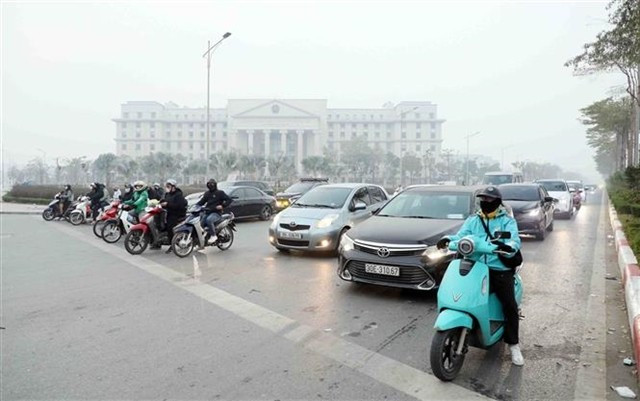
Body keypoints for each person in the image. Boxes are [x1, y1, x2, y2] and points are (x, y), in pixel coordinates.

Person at [436, 186, 524, 366]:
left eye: (490, 199)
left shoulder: (507, 221)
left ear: (498, 202)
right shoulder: (473, 220)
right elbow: (461, 236)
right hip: (475, 267)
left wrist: (508, 246)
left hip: (498, 269)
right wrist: (448, 240)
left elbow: (514, 240)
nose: (486, 202)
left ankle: (514, 344)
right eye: (483, 199)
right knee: (463, 295)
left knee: (509, 305)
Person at [197, 178, 233, 243]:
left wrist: (222, 206)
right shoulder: (207, 193)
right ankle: (201, 240)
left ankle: (213, 235)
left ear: (215, 184)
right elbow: (201, 202)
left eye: (212, 184)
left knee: (209, 220)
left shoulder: (220, 193)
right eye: (209, 184)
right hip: (207, 212)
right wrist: (195, 206)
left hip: (216, 213)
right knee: (200, 223)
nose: (210, 185)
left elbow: (229, 200)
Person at [160, 179, 187, 253]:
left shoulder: (178, 195)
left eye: (169, 186)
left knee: (170, 228)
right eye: (167, 186)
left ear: (173, 187)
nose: (167, 188)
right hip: (169, 213)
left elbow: (178, 206)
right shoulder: (167, 194)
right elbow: (163, 200)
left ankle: (173, 244)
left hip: (177, 214)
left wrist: (167, 204)